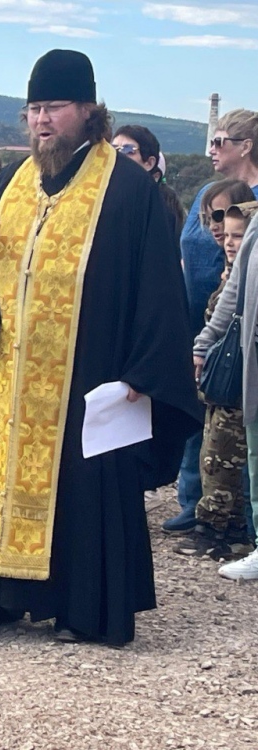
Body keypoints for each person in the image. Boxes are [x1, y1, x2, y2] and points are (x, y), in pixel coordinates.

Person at [0, 49, 201, 645]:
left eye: (54, 107)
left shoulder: (128, 190)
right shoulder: (10, 180)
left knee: (81, 490)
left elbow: (160, 290)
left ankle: (80, 606)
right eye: (33, 108)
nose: (41, 120)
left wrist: (141, 372)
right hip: (4, 374)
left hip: (87, 374)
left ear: (88, 110)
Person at [168, 109, 258, 533]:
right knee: (201, 414)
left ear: (246, 146)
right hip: (198, 316)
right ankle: (196, 501)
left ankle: (236, 520)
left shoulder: (251, 202)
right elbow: (189, 248)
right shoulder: (209, 191)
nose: (211, 149)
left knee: (235, 423)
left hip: (241, 327)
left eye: (220, 141)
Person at [179, 190, 256, 561]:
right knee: (216, 453)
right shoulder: (231, 273)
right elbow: (222, 311)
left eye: (238, 235)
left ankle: (223, 531)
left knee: (225, 457)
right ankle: (220, 528)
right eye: (224, 232)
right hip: (225, 376)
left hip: (239, 379)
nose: (227, 241)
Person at [112, 124, 185, 259]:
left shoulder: (158, 208)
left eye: (129, 150)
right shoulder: (100, 200)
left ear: (149, 163)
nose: (119, 155)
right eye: (113, 149)